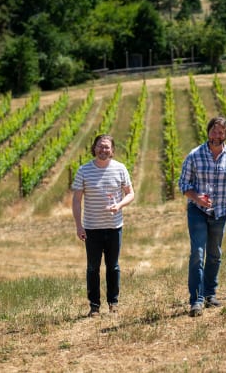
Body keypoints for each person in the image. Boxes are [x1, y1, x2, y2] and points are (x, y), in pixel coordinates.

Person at [178, 117, 226, 317]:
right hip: (197, 211)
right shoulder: (195, 155)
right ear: (208, 132)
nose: (217, 135)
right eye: (214, 131)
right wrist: (197, 197)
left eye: (221, 132)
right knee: (198, 253)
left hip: (220, 212)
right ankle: (196, 300)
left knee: (215, 254)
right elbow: (183, 184)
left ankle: (210, 294)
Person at [72, 134, 135, 317]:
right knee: (92, 267)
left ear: (112, 150)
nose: (103, 150)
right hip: (92, 228)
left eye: (107, 147)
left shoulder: (120, 168)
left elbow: (131, 193)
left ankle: (113, 303)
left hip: (115, 227)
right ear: (94, 148)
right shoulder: (84, 171)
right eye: (100, 146)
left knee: (113, 266)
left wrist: (120, 205)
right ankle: (94, 306)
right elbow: (76, 200)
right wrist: (79, 225)